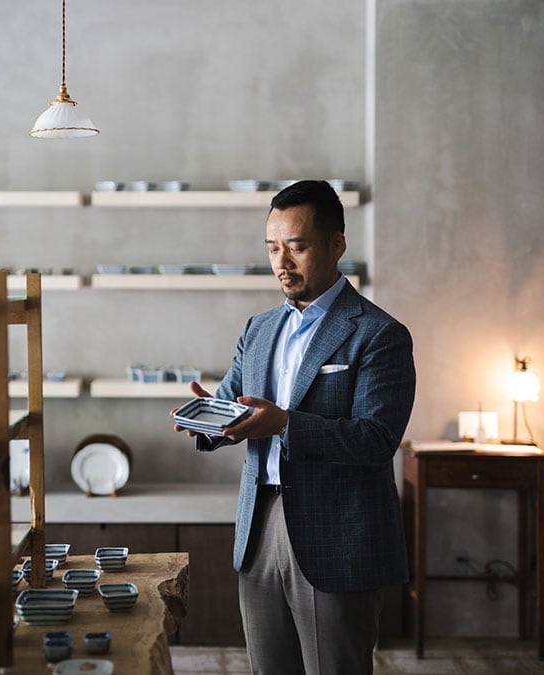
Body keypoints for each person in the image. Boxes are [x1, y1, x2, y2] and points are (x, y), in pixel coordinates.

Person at [172, 180, 416, 674]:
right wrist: (207, 418)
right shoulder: (258, 328)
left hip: (338, 535)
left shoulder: (379, 334)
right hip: (260, 525)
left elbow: (376, 439)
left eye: (298, 247)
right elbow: (232, 403)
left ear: (336, 245)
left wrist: (284, 423)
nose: (282, 262)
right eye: (273, 248)